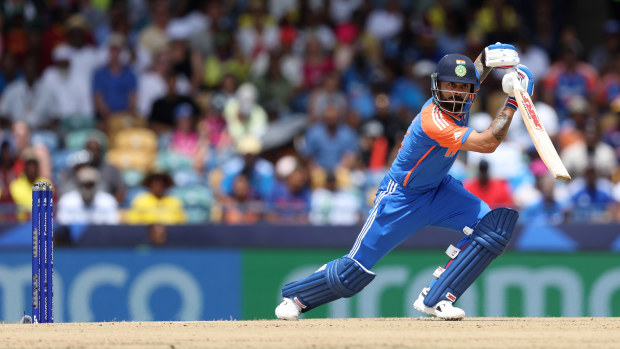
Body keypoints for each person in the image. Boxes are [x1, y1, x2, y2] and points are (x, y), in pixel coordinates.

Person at [275, 43, 529, 321]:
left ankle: (438, 298)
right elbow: (487, 143)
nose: (456, 93)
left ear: (471, 90)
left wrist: (486, 58)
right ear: (438, 86)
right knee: (354, 272)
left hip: (438, 190)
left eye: (462, 88)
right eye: (450, 86)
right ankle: (296, 297)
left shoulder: (463, 94)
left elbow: (471, 74)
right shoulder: (433, 120)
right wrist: (514, 100)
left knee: (493, 229)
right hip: (401, 198)